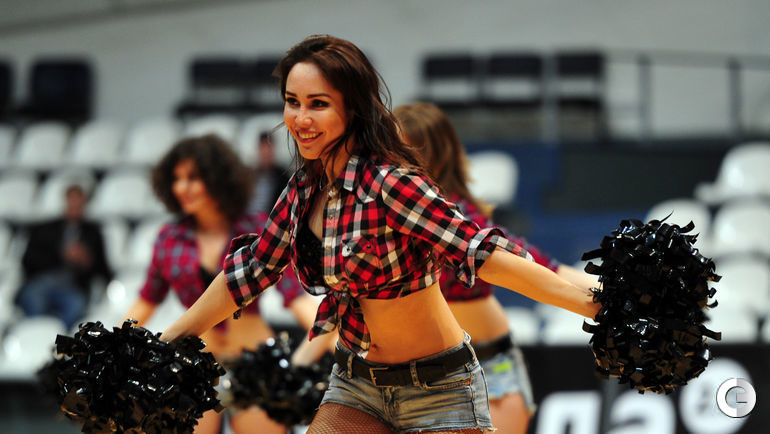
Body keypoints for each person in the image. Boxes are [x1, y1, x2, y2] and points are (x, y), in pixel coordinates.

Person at [160, 35, 599, 434]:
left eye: (318, 104)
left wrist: (594, 305)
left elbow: (484, 256)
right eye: (292, 102)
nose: (300, 118)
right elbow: (250, 272)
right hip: (356, 384)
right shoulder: (301, 190)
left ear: (352, 108)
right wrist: (164, 345)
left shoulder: (391, 184)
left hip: (438, 386)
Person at [394, 102, 599, 434]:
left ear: (435, 155)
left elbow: (544, 268)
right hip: (421, 373)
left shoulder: (460, 218)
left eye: (404, 151)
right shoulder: (380, 218)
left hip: (489, 365)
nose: (393, 162)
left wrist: (618, 296)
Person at [123, 134, 320, 434]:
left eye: (192, 178)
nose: (181, 187)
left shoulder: (255, 226)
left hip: (255, 364)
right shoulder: (169, 238)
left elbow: (293, 293)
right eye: (176, 179)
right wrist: (115, 346)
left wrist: (327, 332)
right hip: (194, 367)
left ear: (217, 178)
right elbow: (147, 300)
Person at [16, 182, 112, 329]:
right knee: (35, 300)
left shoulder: (93, 234)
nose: (75, 207)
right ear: (65, 201)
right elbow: (28, 260)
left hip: (72, 285)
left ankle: (58, 337)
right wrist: (61, 254)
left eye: (79, 203)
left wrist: (87, 262)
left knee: (76, 305)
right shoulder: (44, 229)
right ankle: (38, 335)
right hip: (44, 280)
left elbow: (103, 270)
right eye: (72, 202)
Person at [248, 131, 291, 215]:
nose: (266, 153)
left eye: (268, 150)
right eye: (263, 150)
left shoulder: (283, 177)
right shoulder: (249, 176)